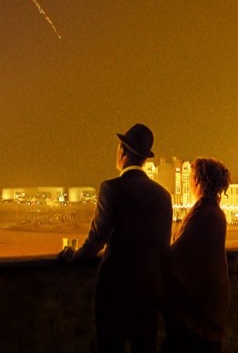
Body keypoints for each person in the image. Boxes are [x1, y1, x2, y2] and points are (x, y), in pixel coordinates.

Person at [59, 123, 173, 353]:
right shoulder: (163, 196)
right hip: (150, 291)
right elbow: (163, 248)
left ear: (122, 151)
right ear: (145, 159)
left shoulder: (111, 189)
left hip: (116, 291)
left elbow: (97, 238)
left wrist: (74, 257)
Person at [161, 157, 231, 353]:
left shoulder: (204, 215)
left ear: (198, 181)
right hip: (210, 310)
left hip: (198, 316)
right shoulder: (214, 212)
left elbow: (178, 255)